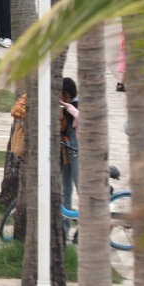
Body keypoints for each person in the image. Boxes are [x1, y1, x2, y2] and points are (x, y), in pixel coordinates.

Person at [60, 77, 79, 239]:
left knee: (83, 191)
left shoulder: (77, 106)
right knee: (65, 192)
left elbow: (78, 119)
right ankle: (64, 231)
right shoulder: (64, 107)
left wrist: (68, 107)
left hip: (78, 154)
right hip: (66, 154)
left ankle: (86, 229)